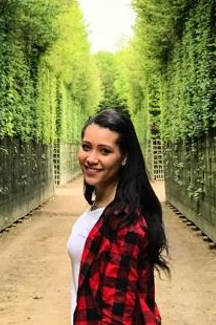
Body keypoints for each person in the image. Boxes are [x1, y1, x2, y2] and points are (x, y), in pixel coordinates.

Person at [67, 108, 168, 324]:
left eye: (104, 151)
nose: (91, 158)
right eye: (86, 147)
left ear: (124, 157)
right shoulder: (99, 208)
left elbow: (116, 317)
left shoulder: (126, 225)